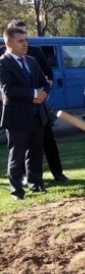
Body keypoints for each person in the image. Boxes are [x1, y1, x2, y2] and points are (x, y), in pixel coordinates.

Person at [0, 20, 69, 183]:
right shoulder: (3, 57)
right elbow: (6, 86)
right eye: (20, 37)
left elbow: (48, 76)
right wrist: (29, 94)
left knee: (47, 142)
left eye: (26, 36)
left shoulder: (35, 54)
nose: (25, 41)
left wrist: (43, 94)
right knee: (19, 146)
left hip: (38, 107)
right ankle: (23, 179)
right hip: (16, 108)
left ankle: (57, 173)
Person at [0, 27, 51, 200]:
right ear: (8, 43)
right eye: (20, 41)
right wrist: (34, 94)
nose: (25, 44)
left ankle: (36, 185)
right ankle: (17, 191)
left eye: (26, 40)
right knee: (17, 155)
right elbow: (8, 89)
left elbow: (44, 82)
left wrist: (43, 94)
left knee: (36, 153)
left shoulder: (32, 61)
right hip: (17, 118)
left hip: (37, 114)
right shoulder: (3, 63)